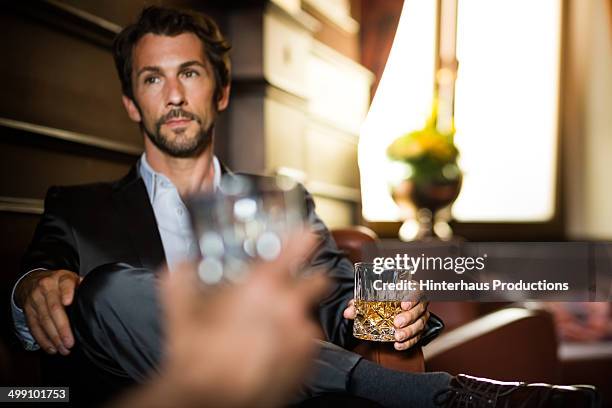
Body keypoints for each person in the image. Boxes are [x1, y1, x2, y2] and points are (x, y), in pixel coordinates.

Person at [10, 6, 600, 408]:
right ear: (132, 104)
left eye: (189, 73)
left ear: (218, 90)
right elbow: (27, 299)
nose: (173, 94)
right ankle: (445, 399)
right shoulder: (76, 208)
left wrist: (387, 310)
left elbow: (337, 299)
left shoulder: (280, 202)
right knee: (104, 292)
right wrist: (28, 289)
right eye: (151, 79)